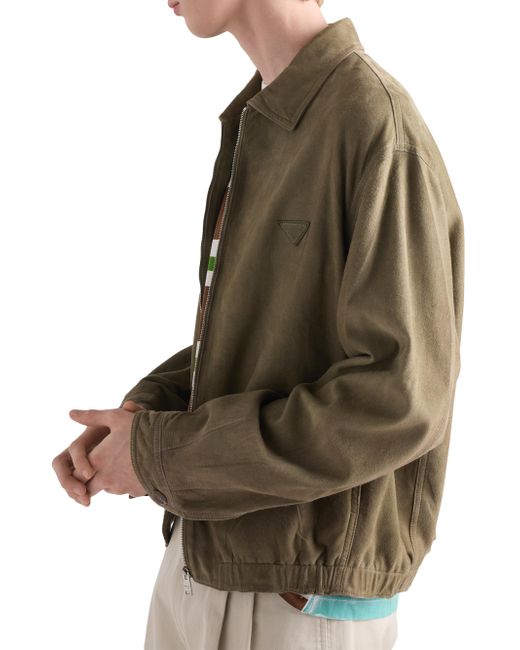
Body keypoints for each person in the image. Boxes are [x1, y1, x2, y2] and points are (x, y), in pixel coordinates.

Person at [52, 1, 465, 648]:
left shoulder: (374, 124)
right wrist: (143, 419)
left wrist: (162, 455)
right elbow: (276, 341)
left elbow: (399, 400)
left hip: (297, 601)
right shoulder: (266, 117)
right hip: (201, 568)